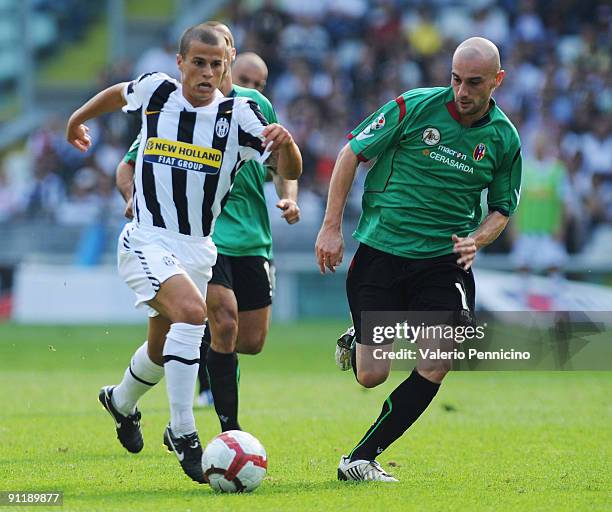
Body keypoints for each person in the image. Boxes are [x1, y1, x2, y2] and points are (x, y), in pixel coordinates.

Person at [66, 25, 302, 483]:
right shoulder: (157, 91)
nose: (207, 73)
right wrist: (77, 118)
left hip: (199, 250)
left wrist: (288, 144)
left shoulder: (240, 116)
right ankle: (184, 431)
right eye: (198, 62)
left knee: (161, 349)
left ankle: (120, 401)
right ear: (181, 63)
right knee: (196, 317)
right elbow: (119, 93)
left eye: (216, 65)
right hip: (146, 237)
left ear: (226, 65)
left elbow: (287, 167)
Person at [315, 37, 521, 481]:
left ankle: (360, 458)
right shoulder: (414, 106)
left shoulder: (504, 138)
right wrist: (331, 226)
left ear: (497, 82)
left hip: (442, 260)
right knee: (371, 375)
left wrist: (478, 239)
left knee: (437, 359)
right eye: (456, 80)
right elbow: (351, 152)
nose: (462, 92)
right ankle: (362, 338)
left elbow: (502, 207)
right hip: (382, 251)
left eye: (474, 83)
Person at [116, 22, 300, 434]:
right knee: (217, 319)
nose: (250, 84)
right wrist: (133, 197)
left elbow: (282, 163)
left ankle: (127, 395)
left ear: (229, 56)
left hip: (253, 237)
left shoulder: (254, 110)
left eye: (258, 81)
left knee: (247, 339)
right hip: (201, 238)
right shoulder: (173, 107)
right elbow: (132, 161)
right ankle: (219, 428)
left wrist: (289, 195)